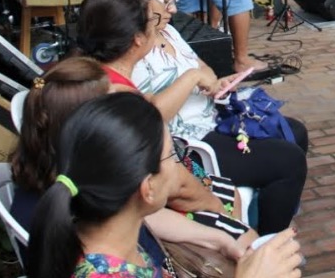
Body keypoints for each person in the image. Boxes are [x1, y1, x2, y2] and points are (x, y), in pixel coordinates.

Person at [128, 0, 310, 235]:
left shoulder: (168, 30)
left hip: (213, 117)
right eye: (166, 2)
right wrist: (190, 79)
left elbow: (202, 67)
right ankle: (268, 243)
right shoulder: (135, 47)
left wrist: (215, 83)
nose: (173, 9)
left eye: (175, 0)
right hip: (189, 142)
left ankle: (270, 211)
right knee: (289, 161)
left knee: (295, 132)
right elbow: (151, 115)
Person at [24, 92, 250, 278]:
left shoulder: (101, 222)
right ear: (147, 188)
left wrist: (220, 240)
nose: (177, 164)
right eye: (170, 155)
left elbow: (154, 219)